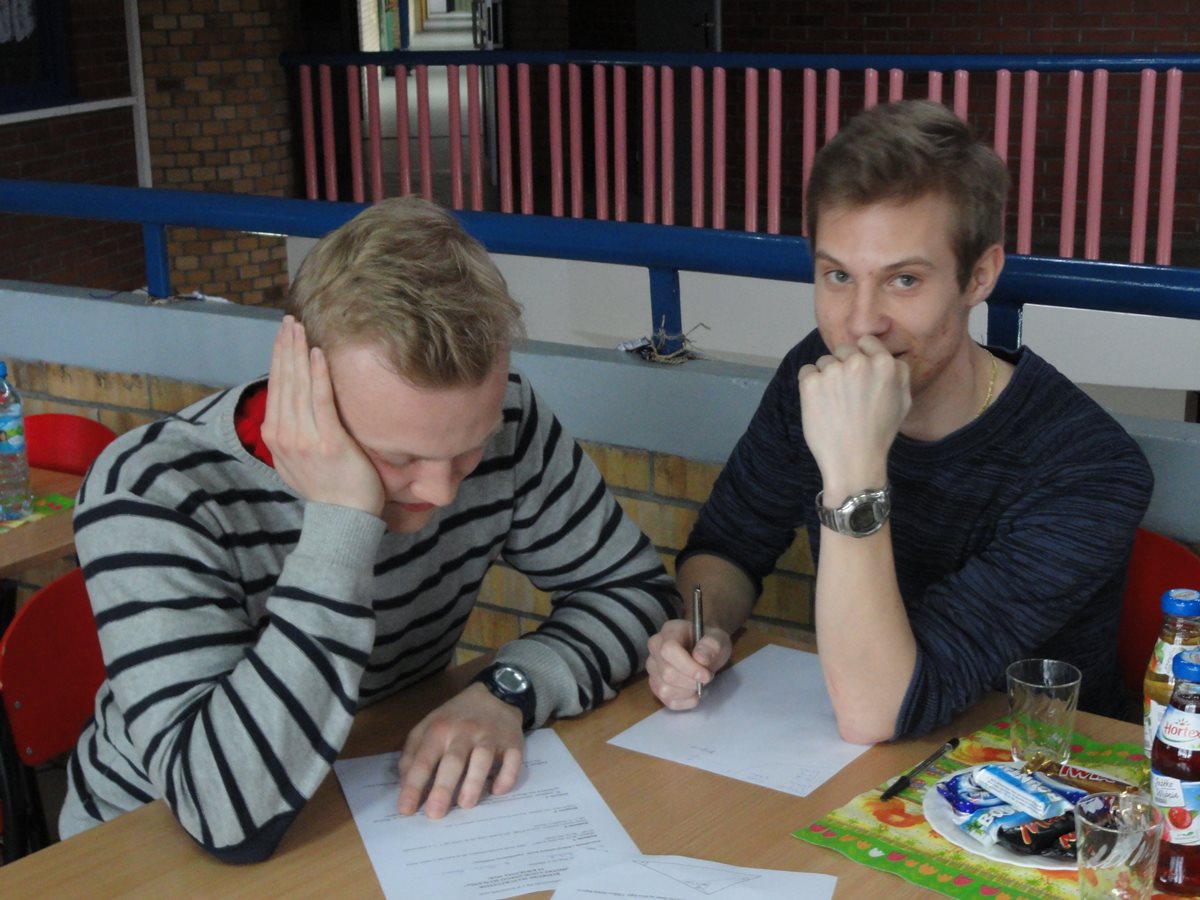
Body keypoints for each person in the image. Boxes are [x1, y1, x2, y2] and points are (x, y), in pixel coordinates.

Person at [61, 196, 678, 862]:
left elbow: (636, 594)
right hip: (139, 843)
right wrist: (340, 525)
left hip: (366, 788)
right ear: (304, 388)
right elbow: (226, 814)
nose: (441, 491)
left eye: (467, 451)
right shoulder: (153, 490)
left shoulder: (508, 418)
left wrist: (507, 691)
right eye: (398, 458)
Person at [646, 100, 1153, 744]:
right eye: (837, 275)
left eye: (904, 280)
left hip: (1040, 770)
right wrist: (705, 629)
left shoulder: (1089, 466)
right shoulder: (814, 371)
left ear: (979, 276)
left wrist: (854, 466)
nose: (861, 323)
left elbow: (882, 710)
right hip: (862, 765)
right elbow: (728, 546)